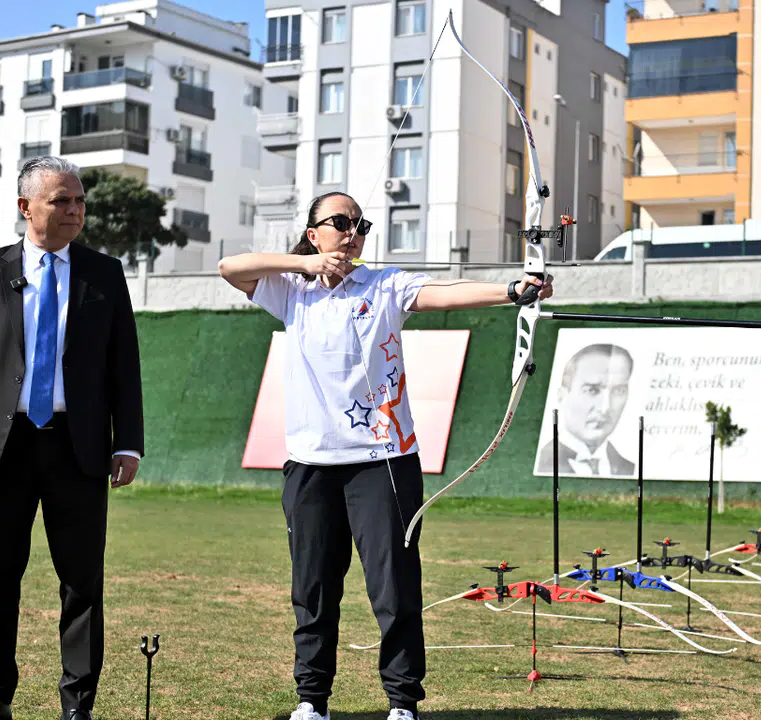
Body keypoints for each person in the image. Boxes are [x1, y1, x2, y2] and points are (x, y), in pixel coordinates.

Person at [218, 191, 553, 720]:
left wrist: (512, 289)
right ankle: (312, 701)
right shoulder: (290, 292)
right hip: (310, 463)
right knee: (313, 589)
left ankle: (402, 703)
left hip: (383, 459)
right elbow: (229, 266)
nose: (353, 233)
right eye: (340, 223)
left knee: (393, 588)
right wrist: (306, 265)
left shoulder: (385, 284)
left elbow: (446, 291)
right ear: (314, 233)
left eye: (361, 225)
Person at [0, 156, 145, 720]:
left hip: (77, 450)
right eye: (62, 201)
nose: (75, 211)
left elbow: (123, 364)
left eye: (79, 201)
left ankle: (77, 705)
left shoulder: (105, 273)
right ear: (26, 207)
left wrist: (126, 442)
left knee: (82, 583)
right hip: (2, 451)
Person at [536, 343, 635, 477]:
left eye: (618, 391)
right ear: (562, 395)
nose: (605, 408)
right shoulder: (541, 463)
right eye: (592, 390)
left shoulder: (631, 470)